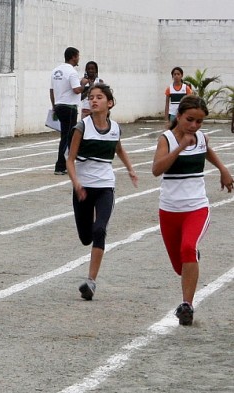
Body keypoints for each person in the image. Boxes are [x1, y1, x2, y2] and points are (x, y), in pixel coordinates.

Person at [152, 95, 233, 326]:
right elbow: (157, 169)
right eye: (190, 120)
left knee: (188, 248)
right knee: (180, 266)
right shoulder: (166, 139)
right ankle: (191, 259)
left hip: (196, 208)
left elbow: (207, 150)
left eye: (199, 122)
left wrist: (223, 170)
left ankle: (186, 305)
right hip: (169, 210)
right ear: (178, 116)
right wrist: (180, 147)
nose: (194, 126)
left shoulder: (200, 138)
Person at [65, 83, 138, 301]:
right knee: (86, 237)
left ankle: (91, 281)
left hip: (105, 187)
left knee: (100, 230)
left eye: (99, 97)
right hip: (83, 189)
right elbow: (69, 160)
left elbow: (118, 148)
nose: (94, 100)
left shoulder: (115, 128)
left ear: (110, 103)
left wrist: (130, 169)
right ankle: (91, 272)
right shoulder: (81, 128)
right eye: (91, 97)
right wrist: (76, 182)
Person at [50, 47, 89, 175]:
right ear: (73, 57)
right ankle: (61, 165)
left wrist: (54, 106)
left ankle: (63, 164)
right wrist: (83, 83)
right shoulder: (71, 72)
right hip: (69, 107)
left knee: (64, 136)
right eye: (78, 56)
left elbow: (51, 90)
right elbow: (77, 90)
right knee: (68, 137)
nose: (78, 59)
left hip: (59, 105)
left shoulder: (55, 71)